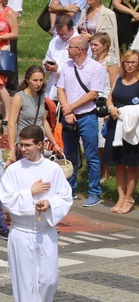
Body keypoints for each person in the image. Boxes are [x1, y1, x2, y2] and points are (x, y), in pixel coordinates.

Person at [0, 125, 73, 302]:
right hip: (22, 232)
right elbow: (5, 200)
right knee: (25, 281)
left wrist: (49, 203)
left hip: (45, 231)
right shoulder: (14, 171)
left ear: (40, 145)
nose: (23, 149)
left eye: (28, 145)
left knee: (48, 279)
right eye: (21, 144)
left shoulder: (53, 169)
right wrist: (29, 193)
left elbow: (65, 196)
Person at [57, 35, 105, 206]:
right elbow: (60, 89)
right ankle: (70, 189)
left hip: (87, 116)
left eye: (70, 47)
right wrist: (66, 109)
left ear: (80, 50)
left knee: (91, 155)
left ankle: (94, 192)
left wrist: (72, 107)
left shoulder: (95, 68)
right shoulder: (67, 66)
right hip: (68, 116)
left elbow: (93, 93)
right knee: (69, 154)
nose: (67, 50)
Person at [103, 50, 139, 214]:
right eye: (127, 62)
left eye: (133, 62)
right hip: (116, 123)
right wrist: (111, 108)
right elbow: (110, 97)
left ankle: (129, 197)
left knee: (131, 164)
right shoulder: (119, 79)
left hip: (132, 126)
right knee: (118, 163)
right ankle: (120, 196)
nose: (130, 65)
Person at [7, 66, 64, 164]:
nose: (39, 84)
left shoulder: (41, 95)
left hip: (38, 145)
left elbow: (43, 121)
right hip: (25, 145)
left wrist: (55, 143)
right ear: (27, 80)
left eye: (41, 80)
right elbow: (11, 124)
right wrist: (12, 149)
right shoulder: (19, 97)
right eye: (35, 80)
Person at [91, 32, 120, 181]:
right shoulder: (91, 60)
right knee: (94, 138)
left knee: (103, 139)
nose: (93, 47)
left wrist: (111, 104)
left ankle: (106, 172)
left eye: (96, 44)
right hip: (92, 99)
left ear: (105, 45)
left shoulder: (110, 61)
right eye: (92, 44)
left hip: (105, 99)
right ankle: (96, 170)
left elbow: (115, 84)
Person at [43, 15, 81, 105]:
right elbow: (46, 58)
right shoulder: (54, 41)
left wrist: (58, 69)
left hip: (69, 93)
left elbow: (81, 69)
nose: (61, 36)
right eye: (59, 33)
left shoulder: (80, 43)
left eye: (63, 34)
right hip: (51, 90)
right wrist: (47, 66)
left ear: (71, 29)